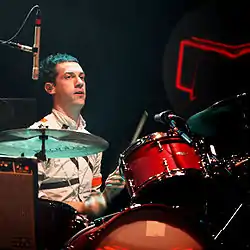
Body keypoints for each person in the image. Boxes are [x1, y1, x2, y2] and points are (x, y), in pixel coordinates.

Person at [30, 53, 125, 218]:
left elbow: (94, 204)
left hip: (81, 236)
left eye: (82, 77)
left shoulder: (92, 143)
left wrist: (107, 195)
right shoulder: (36, 137)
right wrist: (82, 207)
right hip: (48, 235)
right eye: (69, 77)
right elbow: (28, 201)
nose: (80, 82)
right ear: (50, 88)